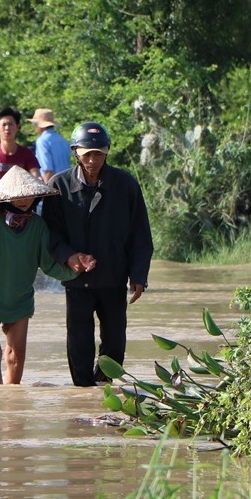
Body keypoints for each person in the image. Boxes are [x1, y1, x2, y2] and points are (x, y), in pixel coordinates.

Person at [42, 122, 153, 387]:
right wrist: (69, 256)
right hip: (76, 280)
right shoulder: (59, 186)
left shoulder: (125, 184)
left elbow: (141, 235)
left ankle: (104, 393)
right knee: (79, 342)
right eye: (87, 153)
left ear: (107, 152)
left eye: (98, 154)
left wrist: (138, 276)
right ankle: (82, 396)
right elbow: (50, 234)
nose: (92, 160)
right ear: (75, 152)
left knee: (115, 342)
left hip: (114, 277)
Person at [0, 166, 80, 384]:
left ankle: (12, 409)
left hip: (19, 300)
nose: (24, 199)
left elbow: (48, 265)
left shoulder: (38, 225)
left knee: (16, 356)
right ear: (6, 196)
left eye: (28, 194)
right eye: (18, 195)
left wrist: (75, 271)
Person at [27, 108, 71, 183]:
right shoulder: (62, 139)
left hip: (54, 184)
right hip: (68, 182)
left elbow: (47, 171)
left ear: (40, 125)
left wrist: (48, 190)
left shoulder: (42, 141)